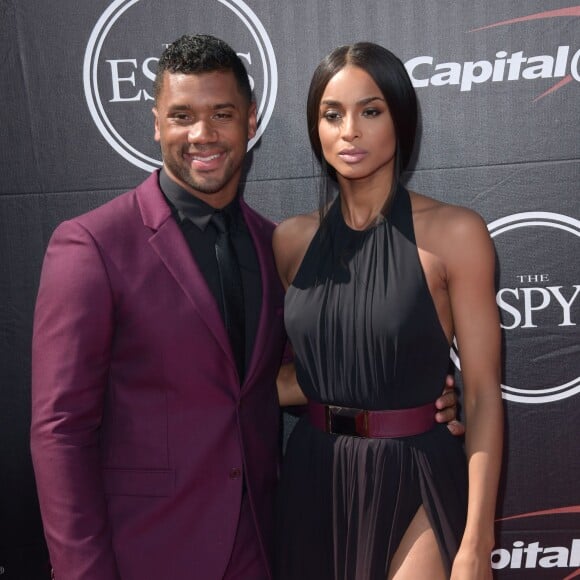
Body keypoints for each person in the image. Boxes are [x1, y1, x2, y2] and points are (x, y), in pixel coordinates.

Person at [30, 35, 462, 580]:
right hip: (145, 551)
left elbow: (306, 371)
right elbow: (61, 430)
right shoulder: (92, 245)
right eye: (182, 115)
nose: (202, 134)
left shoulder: (275, 244)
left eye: (222, 114)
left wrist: (415, 393)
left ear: (250, 121)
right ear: (156, 123)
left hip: (265, 541)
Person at [273, 42, 503, 580]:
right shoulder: (289, 242)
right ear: (316, 128)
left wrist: (477, 542)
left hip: (416, 472)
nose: (349, 130)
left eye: (370, 111)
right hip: (313, 475)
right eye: (333, 115)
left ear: (400, 119)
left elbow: (484, 394)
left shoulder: (455, 234)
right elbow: (287, 376)